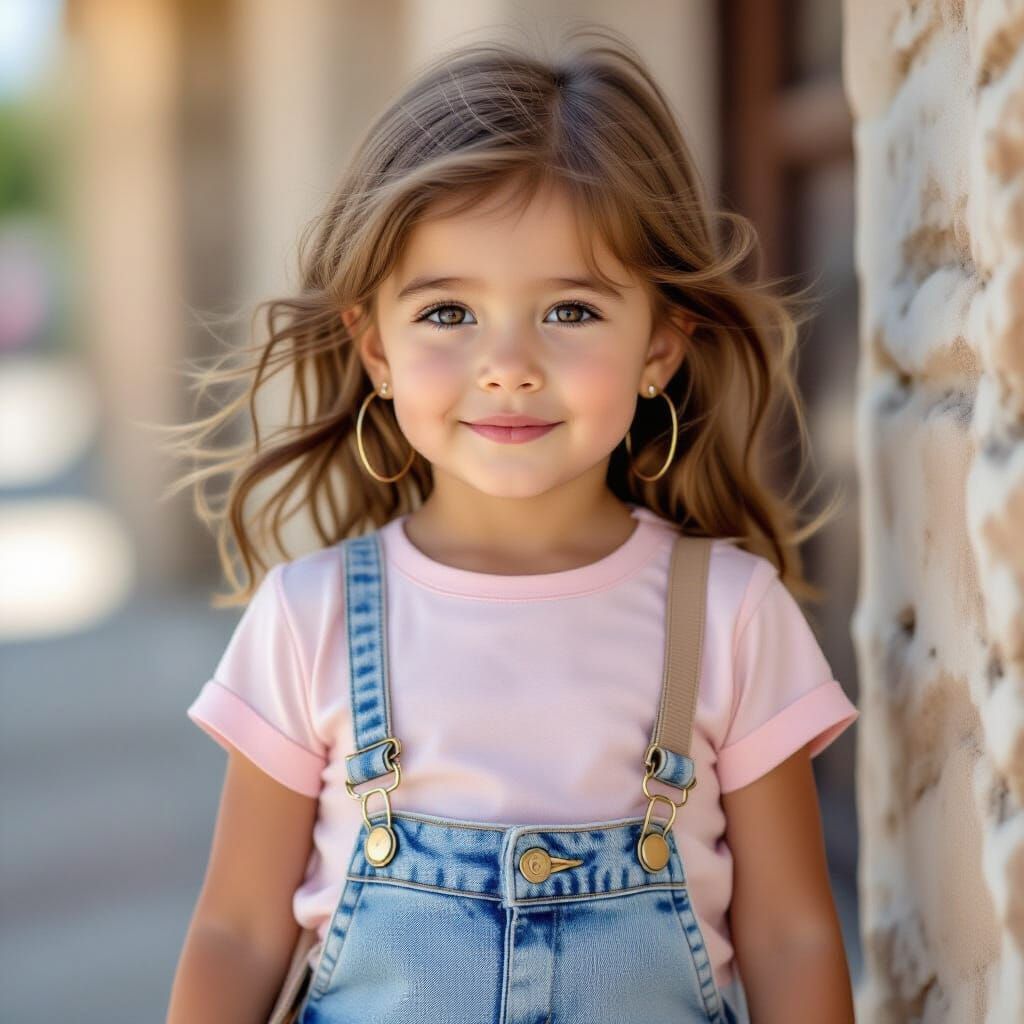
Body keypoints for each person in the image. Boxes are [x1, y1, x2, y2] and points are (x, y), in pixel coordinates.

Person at [165, 27, 859, 1024]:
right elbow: (235, 930)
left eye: (570, 311)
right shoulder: (308, 616)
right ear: (376, 350)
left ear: (659, 343)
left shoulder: (731, 614)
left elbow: (790, 934)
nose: (508, 364)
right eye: (448, 313)